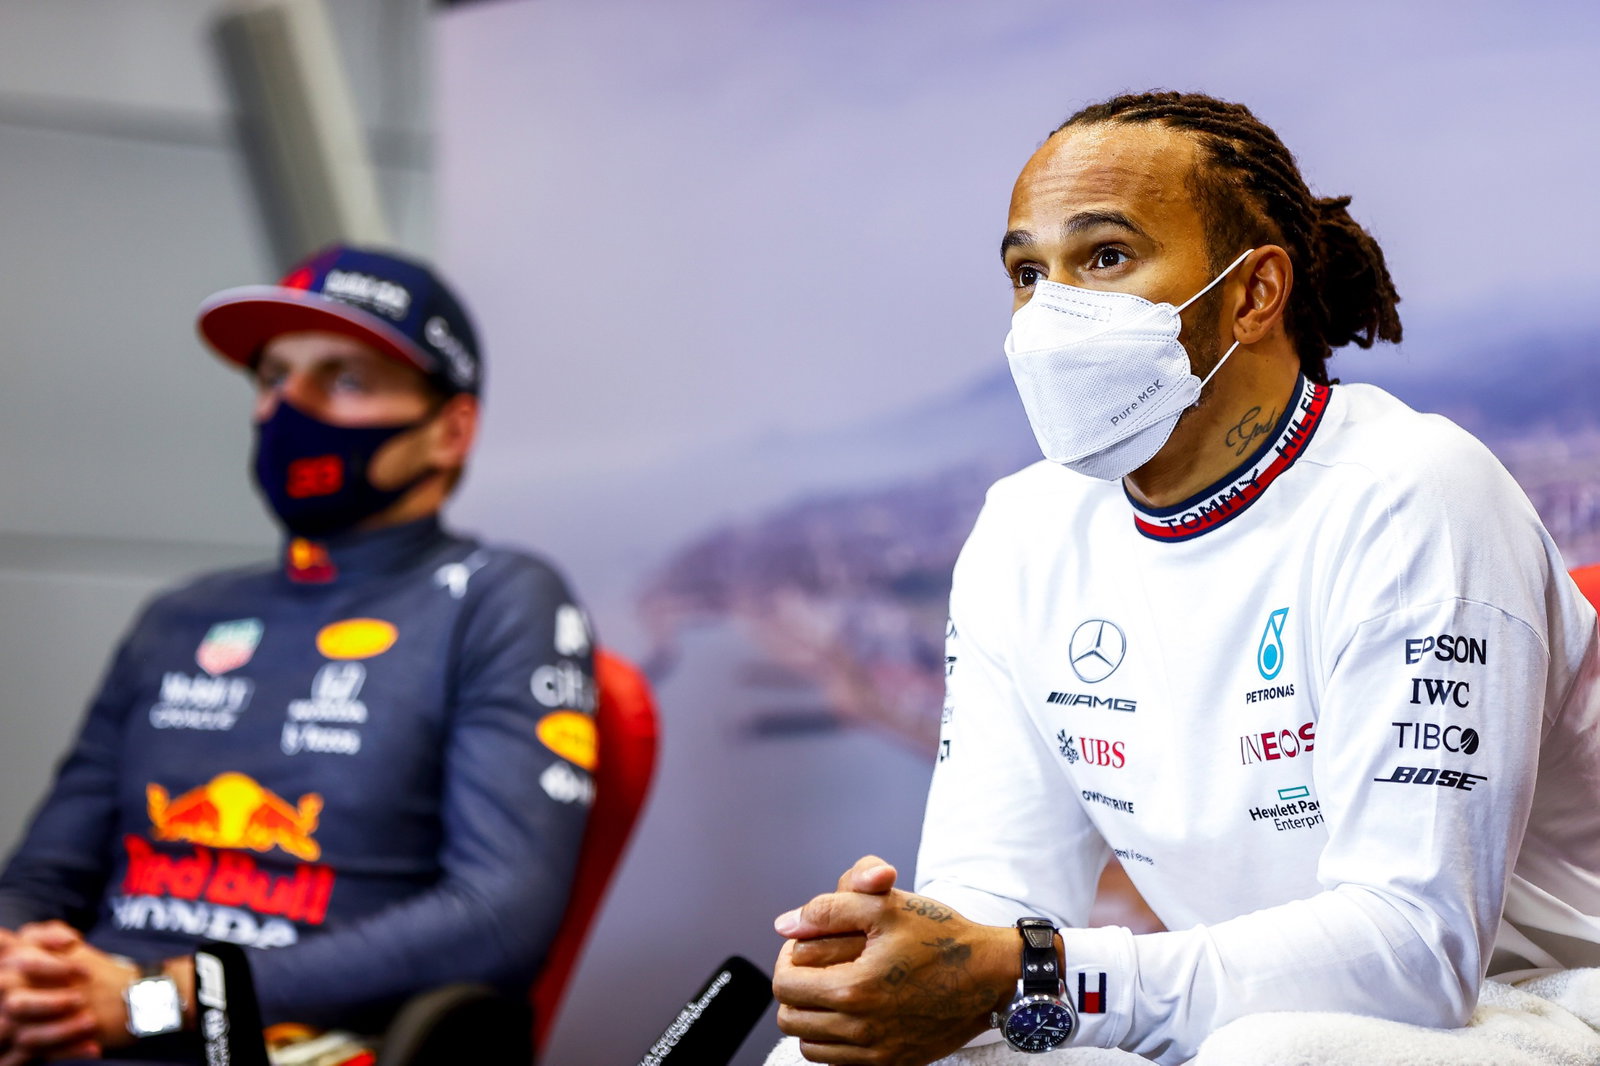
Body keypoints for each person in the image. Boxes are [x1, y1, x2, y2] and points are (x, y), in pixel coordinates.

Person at [768, 92, 1600, 1066]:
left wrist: (1029, 970)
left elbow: (1413, 956)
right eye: (1028, 272)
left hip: (1532, 1009)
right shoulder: (1021, 532)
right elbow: (994, 906)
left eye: (1104, 257)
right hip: (1233, 1016)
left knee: (1269, 1055)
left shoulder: (1414, 495)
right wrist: (902, 958)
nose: (1048, 312)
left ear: (1252, 294)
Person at [0, 246, 598, 1063]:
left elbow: (500, 915)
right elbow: (42, 878)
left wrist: (156, 1000)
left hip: (281, 1037)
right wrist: (19, 975)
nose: (289, 406)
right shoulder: (182, 615)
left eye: (344, 378)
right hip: (73, 1028)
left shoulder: (499, 597)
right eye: (273, 377)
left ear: (449, 430)